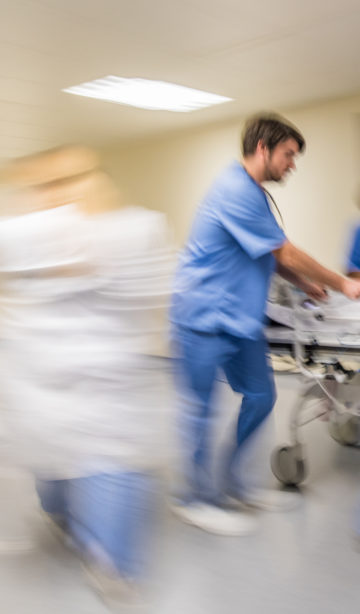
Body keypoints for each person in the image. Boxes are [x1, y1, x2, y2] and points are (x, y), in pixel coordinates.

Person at [170, 113, 360, 535]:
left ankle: (233, 483)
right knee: (203, 412)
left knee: (261, 397)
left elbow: (266, 252)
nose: (292, 164)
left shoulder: (256, 195)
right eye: (288, 155)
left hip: (240, 319)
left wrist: (305, 283)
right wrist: (340, 283)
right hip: (203, 318)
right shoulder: (234, 189)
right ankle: (194, 498)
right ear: (262, 149)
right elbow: (282, 250)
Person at [0, 146, 172, 604]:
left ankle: (112, 563)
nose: (59, 192)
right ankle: (67, 520)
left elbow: (153, 290)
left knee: (109, 464)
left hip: (106, 382)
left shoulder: (133, 228)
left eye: (72, 178)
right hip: (45, 379)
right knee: (56, 463)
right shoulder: (25, 232)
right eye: (47, 184)